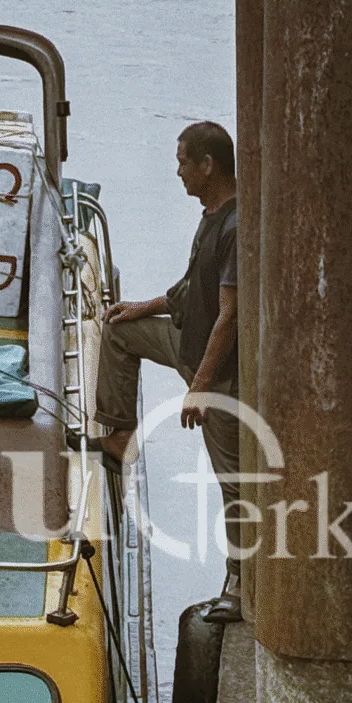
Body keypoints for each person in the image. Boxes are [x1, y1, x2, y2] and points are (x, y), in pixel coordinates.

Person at [94, 121, 245, 613]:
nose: (177, 171)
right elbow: (190, 289)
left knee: (234, 482)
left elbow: (230, 315)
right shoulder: (211, 215)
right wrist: (145, 307)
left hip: (217, 370)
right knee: (118, 332)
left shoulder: (236, 226)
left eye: (184, 161)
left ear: (208, 165)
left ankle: (241, 584)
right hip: (187, 343)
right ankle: (119, 433)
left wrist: (200, 387)